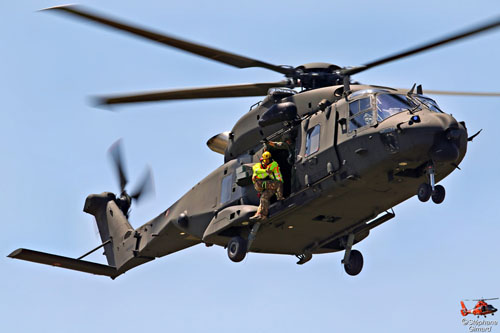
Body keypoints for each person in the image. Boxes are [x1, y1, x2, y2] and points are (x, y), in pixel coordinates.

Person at [250, 151, 284, 221]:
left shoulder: (274, 164)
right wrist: (259, 173)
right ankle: (261, 215)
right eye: (264, 160)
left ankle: (280, 197)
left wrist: (259, 174)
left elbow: (265, 174)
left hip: (278, 184)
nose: (265, 162)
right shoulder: (258, 166)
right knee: (263, 197)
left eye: (267, 160)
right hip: (273, 186)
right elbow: (256, 170)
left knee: (259, 182)